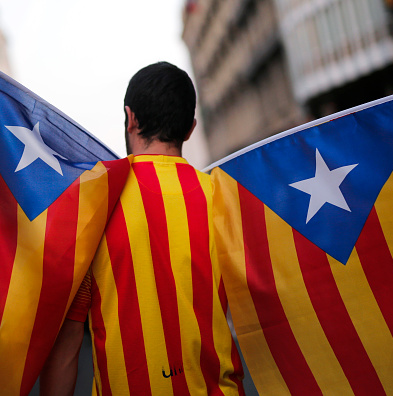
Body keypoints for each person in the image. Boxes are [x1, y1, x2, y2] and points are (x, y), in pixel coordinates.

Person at [40, 62, 244, 395]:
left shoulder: (96, 203)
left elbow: (67, 344)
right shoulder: (223, 199)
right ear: (190, 128)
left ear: (130, 117)